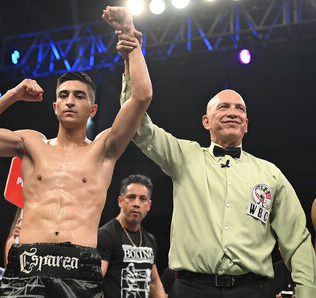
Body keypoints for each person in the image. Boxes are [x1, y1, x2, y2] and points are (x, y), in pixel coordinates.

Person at [0, 6, 152, 297]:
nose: (70, 101)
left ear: (92, 109)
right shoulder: (31, 143)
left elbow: (142, 96)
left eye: (79, 96)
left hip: (81, 269)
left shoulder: (103, 149)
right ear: (55, 106)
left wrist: (130, 38)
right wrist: (13, 95)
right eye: (63, 95)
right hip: (27, 264)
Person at [115, 31, 316, 297]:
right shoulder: (184, 156)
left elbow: (297, 239)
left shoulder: (270, 174)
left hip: (254, 289)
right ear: (206, 122)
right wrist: (132, 60)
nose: (233, 112)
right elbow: (139, 127)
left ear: (246, 125)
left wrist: (308, 292)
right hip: (191, 289)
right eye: (223, 107)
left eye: (240, 109)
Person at [98, 174, 167, 298]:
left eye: (142, 199)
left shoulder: (150, 240)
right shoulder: (106, 235)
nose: (136, 203)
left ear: (149, 205)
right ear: (120, 201)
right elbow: (96, 281)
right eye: (131, 197)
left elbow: (154, 282)